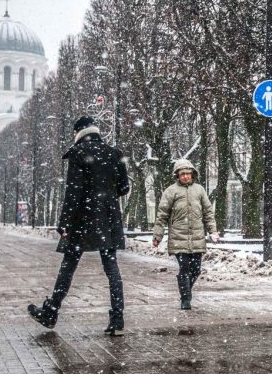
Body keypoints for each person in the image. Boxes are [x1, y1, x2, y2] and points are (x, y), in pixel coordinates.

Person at [28, 117, 130, 335]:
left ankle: (51, 311)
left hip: (83, 219)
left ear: (78, 133)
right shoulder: (115, 153)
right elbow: (124, 187)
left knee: (68, 266)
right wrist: (107, 196)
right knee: (112, 268)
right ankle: (118, 318)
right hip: (109, 218)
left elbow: (73, 192)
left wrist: (64, 222)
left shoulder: (78, 153)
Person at [153, 159, 219, 310]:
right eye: (182, 174)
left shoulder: (199, 190)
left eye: (188, 174)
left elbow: (208, 212)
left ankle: (185, 290)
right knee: (184, 268)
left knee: (196, 270)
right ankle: (186, 299)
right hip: (178, 237)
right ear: (177, 176)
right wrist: (158, 235)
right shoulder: (170, 191)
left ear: (192, 174)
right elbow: (162, 215)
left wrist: (213, 231)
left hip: (197, 237)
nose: (186, 177)